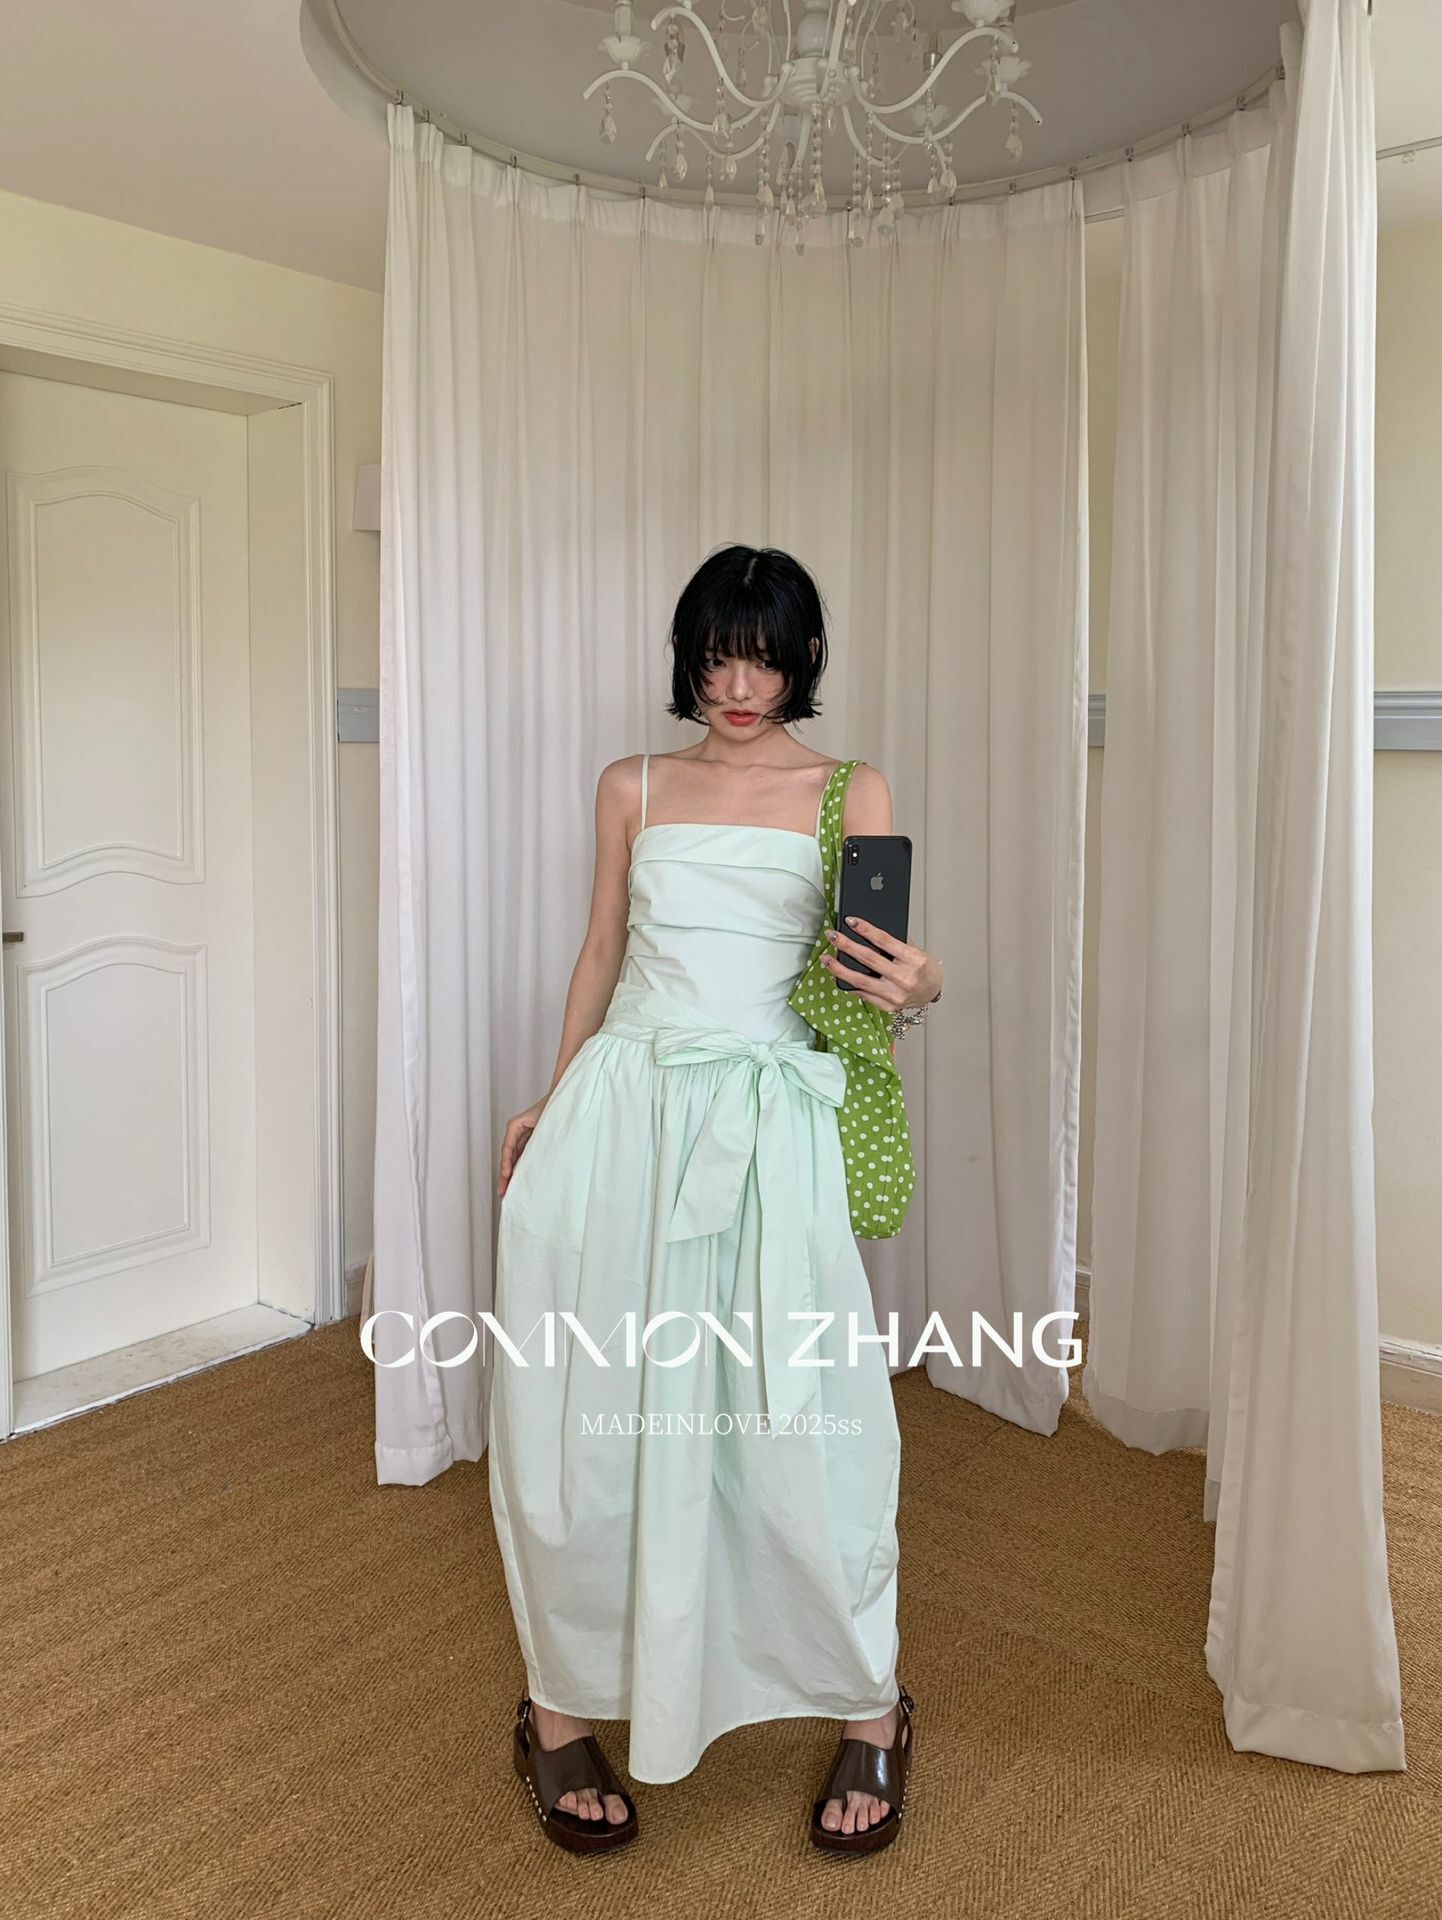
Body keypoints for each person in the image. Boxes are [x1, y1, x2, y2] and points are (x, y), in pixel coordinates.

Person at [488, 545, 943, 1856]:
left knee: (806, 1420)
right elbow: (603, 950)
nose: (738, 688)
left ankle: (868, 1702)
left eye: (766, 661)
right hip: (625, 1112)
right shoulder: (631, 783)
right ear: (686, 659)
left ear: (806, 661)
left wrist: (922, 989)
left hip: (767, 1127)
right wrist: (555, 1094)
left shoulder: (848, 789)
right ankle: (558, 1703)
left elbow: (872, 980)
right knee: (589, 1415)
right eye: (715, 659)